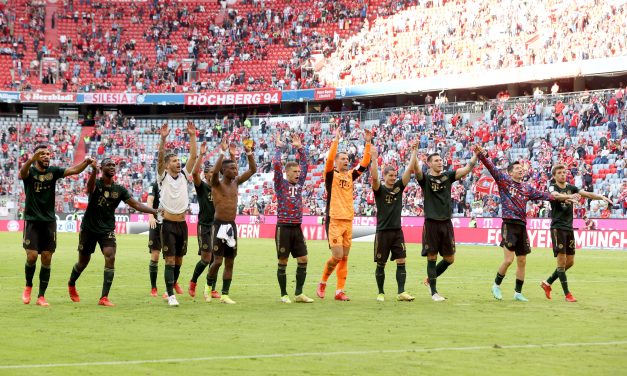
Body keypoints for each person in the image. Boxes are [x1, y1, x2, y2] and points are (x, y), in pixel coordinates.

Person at [475, 145, 576, 302]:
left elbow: (547, 196)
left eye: (521, 168)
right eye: (517, 168)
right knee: (509, 260)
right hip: (509, 224)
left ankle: (518, 293)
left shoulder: (527, 188)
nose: (521, 170)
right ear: (510, 172)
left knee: (522, 261)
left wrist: (565, 197)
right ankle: (496, 285)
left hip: (522, 226)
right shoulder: (504, 181)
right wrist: (480, 155)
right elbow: (491, 167)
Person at [67, 159, 160, 306]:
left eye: (113, 165)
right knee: (83, 262)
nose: (112, 167)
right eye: (108, 165)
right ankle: (71, 283)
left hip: (106, 229)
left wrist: (154, 211)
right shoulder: (96, 183)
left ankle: (104, 298)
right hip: (89, 229)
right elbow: (89, 188)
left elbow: (135, 204)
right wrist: (93, 171)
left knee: (110, 256)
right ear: (102, 168)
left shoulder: (120, 190)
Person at [20, 145, 93, 307]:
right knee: (31, 256)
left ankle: (41, 296)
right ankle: (28, 286)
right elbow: (21, 174)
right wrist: (30, 160)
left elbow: (73, 170)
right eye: (43, 154)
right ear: (36, 156)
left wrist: (86, 162)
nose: (47, 156)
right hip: (32, 220)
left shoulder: (53, 171)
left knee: (47, 257)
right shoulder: (30, 172)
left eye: (48, 154)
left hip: (49, 222)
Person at [541, 165, 613, 302]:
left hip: (569, 228)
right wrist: (569, 197)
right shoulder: (552, 186)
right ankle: (567, 294)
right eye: (560, 173)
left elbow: (587, 194)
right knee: (561, 262)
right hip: (558, 228)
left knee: (570, 262)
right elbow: (555, 196)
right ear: (554, 176)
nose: (563, 175)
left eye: (564, 172)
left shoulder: (572, 187)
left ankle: (547, 283)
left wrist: (601, 197)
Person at [316, 128, 372, 301]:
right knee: (337, 256)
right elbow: (330, 159)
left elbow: (364, 164)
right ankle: (323, 282)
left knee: (345, 257)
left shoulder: (350, 176)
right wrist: (336, 141)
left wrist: (368, 143)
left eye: (348, 159)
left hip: (348, 220)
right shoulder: (330, 175)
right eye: (343, 158)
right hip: (334, 220)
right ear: (336, 162)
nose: (346, 161)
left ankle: (339, 291)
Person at [415, 149, 478, 301]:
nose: (440, 162)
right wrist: (413, 152)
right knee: (432, 257)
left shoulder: (448, 176)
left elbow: (467, 168)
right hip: (431, 223)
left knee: (450, 259)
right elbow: (416, 169)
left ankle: (430, 279)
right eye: (436, 160)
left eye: (440, 160)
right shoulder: (425, 179)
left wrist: (476, 154)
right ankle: (434, 292)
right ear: (429, 164)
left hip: (446, 223)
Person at [207, 135, 257, 304]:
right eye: (233, 169)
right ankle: (208, 287)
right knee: (217, 262)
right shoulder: (216, 184)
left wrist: (249, 153)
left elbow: (252, 170)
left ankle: (225, 294)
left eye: (236, 169)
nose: (236, 171)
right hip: (218, 225)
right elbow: (213, 172)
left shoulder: (236, 183)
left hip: (231, 226)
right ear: (224, 171)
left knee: (230, 262)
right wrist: (222, 152)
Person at [157, 121, 198, 307]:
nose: (177, 162)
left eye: (177, 160)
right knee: (170, 259)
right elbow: (159, 158)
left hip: (182, 224)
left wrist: (192, 136)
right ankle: (171, 295)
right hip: (167, 224)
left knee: (179, 260)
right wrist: (163, 139)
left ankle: (169, 287)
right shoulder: (163, 176)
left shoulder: (183, 175)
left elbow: (193, 156)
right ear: (167, 166)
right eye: (173, 161)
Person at [370, 144, 417, 302]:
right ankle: (381, 292)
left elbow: (409, 171)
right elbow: (374, 177)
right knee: (381, 263)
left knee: (401, 260)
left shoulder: (398, 188)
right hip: (382, 232)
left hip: (397, 231)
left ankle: (401, 292)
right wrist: (374, 159)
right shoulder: (379, 190)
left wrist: (413, 152)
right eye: (390, 175)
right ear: (385, 176)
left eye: (394, 175)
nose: (393, 178)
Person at [187, 141, 233, 301]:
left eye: (215, 171)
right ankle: (193, 281)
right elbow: (194, 175)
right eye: (211, 172)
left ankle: (212, 288)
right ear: (206, 174)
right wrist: (201, 154)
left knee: (216, 259)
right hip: (204, 226)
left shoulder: (219, 187)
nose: (214, 174)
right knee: (206, 259)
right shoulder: (202, 187)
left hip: (218, 226)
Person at [273, 132, 314, 303]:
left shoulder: (300, 184)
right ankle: (283, 294)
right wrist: (278, 148)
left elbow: (305, 164)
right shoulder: (280, 183)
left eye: (298, 172)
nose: (298, 173)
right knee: (283, 261)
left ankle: (298, 293)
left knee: (303, 259)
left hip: (297, 227)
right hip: (283, 227)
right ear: (287, 173)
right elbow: (276, 164)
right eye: (295, 171)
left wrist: (300, 148)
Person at [147, 181, 162, 297]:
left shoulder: (173, 182)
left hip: (170, 222)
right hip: (156, 222)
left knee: (170, 257)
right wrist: (151, 215)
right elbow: (150, 200)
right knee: (155, 255)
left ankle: (170, 288)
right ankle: (153, 287)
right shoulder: (155, 184)